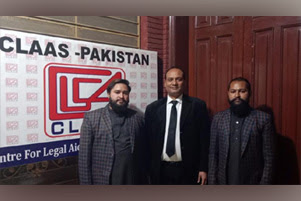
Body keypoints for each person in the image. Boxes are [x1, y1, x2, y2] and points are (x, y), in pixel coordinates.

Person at [145, 66, 210, 185]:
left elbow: (204, 140)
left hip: (189, 170)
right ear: (165, 83)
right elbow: (148, 141)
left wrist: (203, 168)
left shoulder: (197, 106)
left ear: (184, 82)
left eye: (178, 79)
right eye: (170, 79)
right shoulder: (152, 109)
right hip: (160, 170)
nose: (174, 83)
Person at [78, 79, 147, 185]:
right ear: (109, 94)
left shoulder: (137, 117)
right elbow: (84, 158)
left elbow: (143, 152)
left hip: (132, 178)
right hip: (104, 179)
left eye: (125, 93)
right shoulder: (92, 118)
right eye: (117, 92)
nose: (121, 96)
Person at [208, 77, 275, 185]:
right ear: (228, 93)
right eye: (233, 91)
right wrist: (212, 184)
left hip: (252, 184)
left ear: (250, 93)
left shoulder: (263, 119)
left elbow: (269, 159)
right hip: (223, 183)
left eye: (242, 91)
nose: (237, 95)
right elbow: (213, 155)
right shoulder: (218, 118)